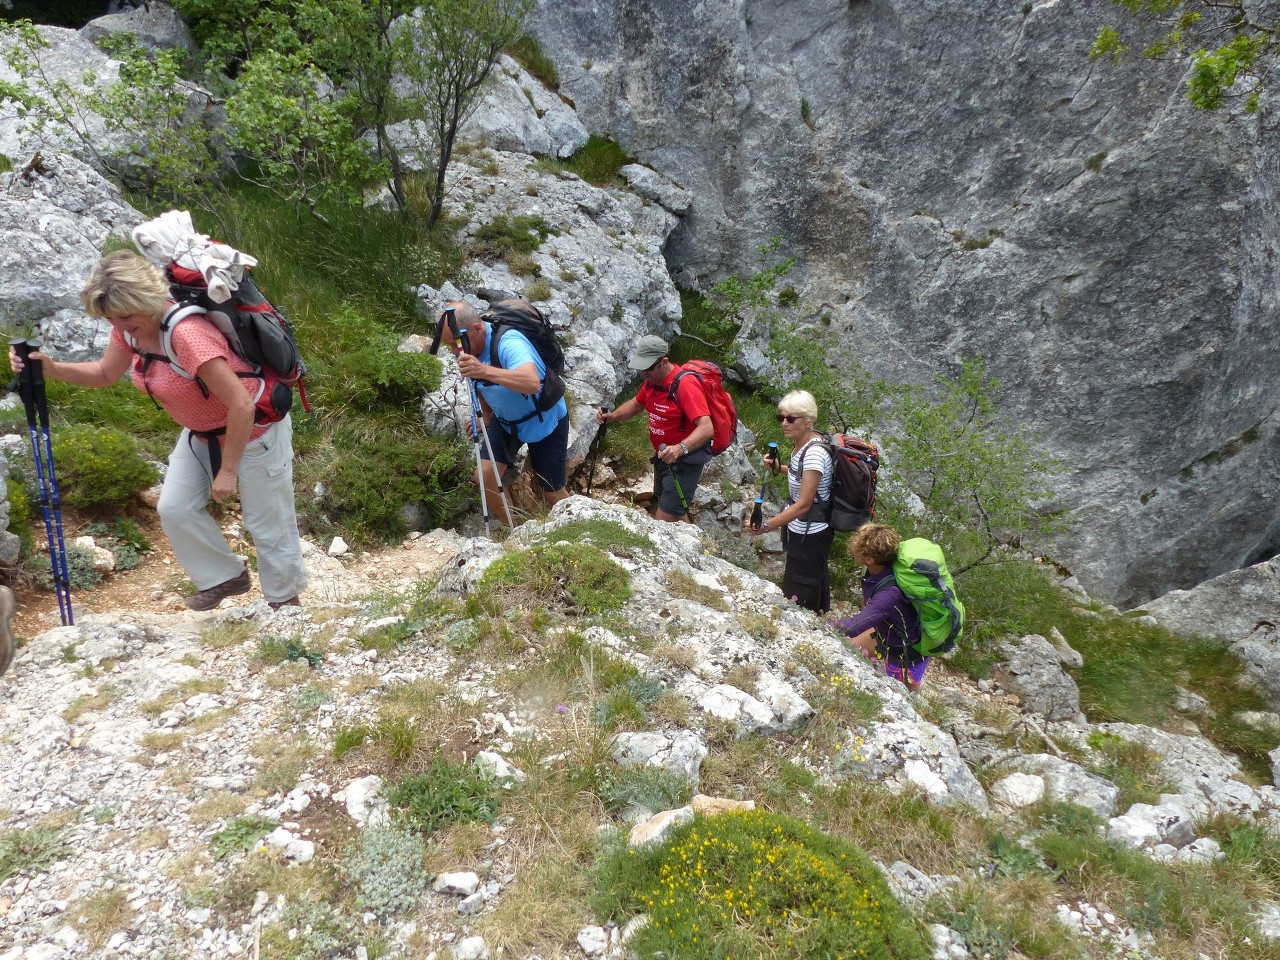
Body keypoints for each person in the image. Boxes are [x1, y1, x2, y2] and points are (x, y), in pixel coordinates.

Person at [7, 251, 307, 611]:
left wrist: (228, 471)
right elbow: (105, 374)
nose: (118, 324)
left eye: (125, 315)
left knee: (267, 524)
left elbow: (241, 404)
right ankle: (225, 576)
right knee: (174, 507)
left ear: (146, 301)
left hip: (255, 431)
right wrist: (51, 368)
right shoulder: (130, 331)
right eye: (111, 318)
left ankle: (285, 606)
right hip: (200, 431)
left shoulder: (188, 336)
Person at [448, 300, 570, 525]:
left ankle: (584, 522)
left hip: (544, 419)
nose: (456, 351)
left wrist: (482, 369)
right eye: (451, 346)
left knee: (552, 493)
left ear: (477, 328)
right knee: (484, 478)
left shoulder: (509, 341)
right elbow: (477, 383)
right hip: (505, 422)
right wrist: (485, 414)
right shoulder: (468, 347)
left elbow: (532, 382)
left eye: (457, 343)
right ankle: (514, 530)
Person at [596, 335, 714, 522]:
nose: (644, 372)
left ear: (663, 362)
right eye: (641, 367)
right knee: (669, 506)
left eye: (648, 367)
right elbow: (637, 404)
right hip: (662, 458)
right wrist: (613, 416)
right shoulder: (653, 381)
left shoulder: (685, 386)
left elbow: (707, 428)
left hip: (684, 462)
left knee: (664, 519)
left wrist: (679, 449)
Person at [746, 390, 835, 612]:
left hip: (811, 532)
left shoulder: (814, 454)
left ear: (808, 421)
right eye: (781, 418)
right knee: (808, 580)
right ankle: (819, 618)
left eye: (791, 419)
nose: (784, 423)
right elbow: (803, 476)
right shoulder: (803, 445)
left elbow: (804, 503)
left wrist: (766, 526)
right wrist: (780, 468)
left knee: (800, 591)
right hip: (805, 529)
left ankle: (809, 631)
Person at [832, 523, 929, 688]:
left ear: (869, 559)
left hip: (907, 656)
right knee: (847, 648)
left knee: (903, 695)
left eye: (857, 546)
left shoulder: (889, 594)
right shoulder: (877, 571)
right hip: (886, 635)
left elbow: (854, 626)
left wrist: (818, 624)